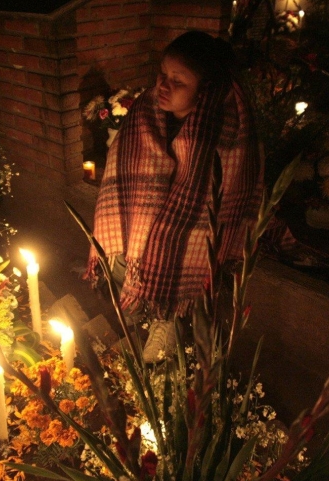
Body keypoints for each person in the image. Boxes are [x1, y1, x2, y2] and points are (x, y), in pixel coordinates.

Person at [87, 31, 265, 363]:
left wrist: (170, 218)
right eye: (162, 75)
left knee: (175, 239)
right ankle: (135, 302)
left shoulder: (224, 134)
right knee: (134, 238)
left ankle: (165, 318)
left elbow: (221, 197)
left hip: (191, 236)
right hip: (143, 220)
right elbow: (126, 172)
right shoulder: (145, 113)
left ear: (205, 90)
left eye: (178, 82)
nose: (163, 86)